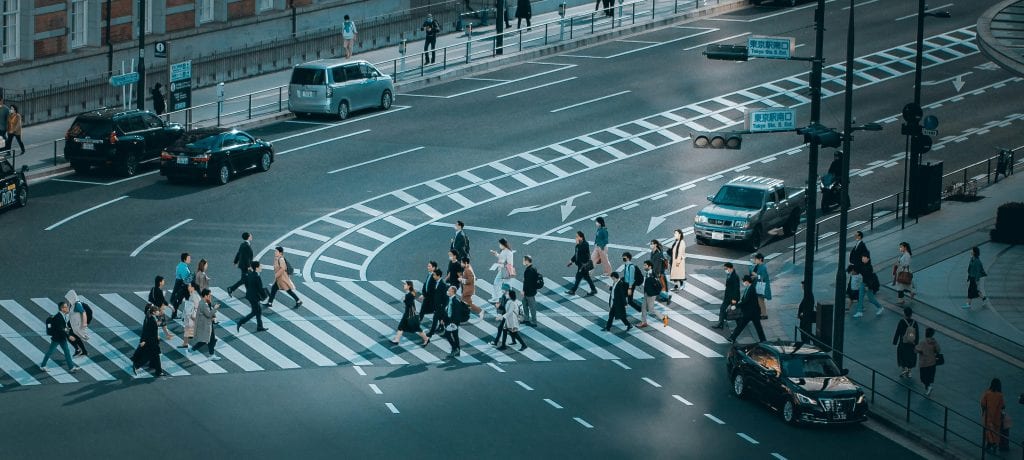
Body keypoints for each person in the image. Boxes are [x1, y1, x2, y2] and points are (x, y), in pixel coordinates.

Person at [40, 301, 80, 372]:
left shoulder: (62, 315)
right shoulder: (58, 317)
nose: (68, 308)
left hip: (61, 338)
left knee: (66, 352)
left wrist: (67, 329)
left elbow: (62, 327)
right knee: (50, 351)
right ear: (62, 309)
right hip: (57, 338)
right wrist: (69, 336)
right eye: (66, 307)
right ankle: (43, 366)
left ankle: (71, 367)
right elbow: (60, 329)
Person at [132, 304, 170, 377]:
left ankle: (155, 368)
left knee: (153, 355)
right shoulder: (151, 320)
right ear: (154, 312)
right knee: (152, 355)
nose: (159, 312)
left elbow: (150, 329)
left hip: (151, 341)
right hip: (152, 341)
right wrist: (145, 340)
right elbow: (149, 331)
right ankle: (138, 365)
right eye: (157, 311)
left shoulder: (150, 318)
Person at [728, 275, 765, 343]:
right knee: (742, 325)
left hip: (753, 312)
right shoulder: (748, 288)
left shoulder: (751, 289)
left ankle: (763, 340)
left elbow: (746, 301)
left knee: (756, 327)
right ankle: (732, 338)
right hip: (750, 312)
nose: (743, 283)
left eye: (744, 281)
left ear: (747, 281)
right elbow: (744, 299)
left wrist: (736, 306)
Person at [393, 281, 430, 346]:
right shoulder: (410, 293)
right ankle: (397, 340)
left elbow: (409, 304)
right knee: (401, 327)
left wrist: (405, 300)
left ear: (409, 286)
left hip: (410, 314)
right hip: (408, 313)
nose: (404, 285)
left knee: (417, 328)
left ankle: (426, 338)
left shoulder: (409, 295)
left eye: (405, 284)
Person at [236, 262, 269, 333]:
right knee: (255, 312)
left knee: (258, 311)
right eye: (260, 266)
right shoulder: (257, 277)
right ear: (257, 268)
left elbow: (247, 284)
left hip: (250, 295)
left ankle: (260, 326)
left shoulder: (250, 274)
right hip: (254, 297)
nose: (261, 267)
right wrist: (265, 296)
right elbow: (260, 289)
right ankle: (241, 322)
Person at [190, 289, 222, 360]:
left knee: (210, 339)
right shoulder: (203, 304)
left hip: (207, 323)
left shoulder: (205, 302)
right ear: (205, 295)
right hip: (206, 325)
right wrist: (215, 308)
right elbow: (208, 314)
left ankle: (211, 354)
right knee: (207, 340)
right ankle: (192, 350)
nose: (210, 296)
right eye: (209, 295)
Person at [892, 306, 919, 378]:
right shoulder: (914, 323)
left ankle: (904, 369)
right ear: (911, 314)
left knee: (902, 356)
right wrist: (916, 343)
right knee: (911, 356)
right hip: (912, 343)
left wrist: (895, 341)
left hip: (903, 343)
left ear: (904, 313)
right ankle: (909, 371)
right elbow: (917, 334)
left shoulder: (902, 322)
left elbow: (898, 332)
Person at [567, 231, 596, 296]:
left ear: (581, 237)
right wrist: (571, 261)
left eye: (577, 237)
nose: (576, 238)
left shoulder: (585, 244)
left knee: (578, 277)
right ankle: (593, 289)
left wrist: (578, 244)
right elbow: (576, 255)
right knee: (586, 278)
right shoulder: (577, 246)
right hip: (580, 265)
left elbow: (583, 253)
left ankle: (573, 290)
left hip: (583, 265)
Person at [981, 378, 1006, 453]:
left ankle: (991, 443)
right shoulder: (1000, 395)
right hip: (997, 417)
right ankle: (994, 443)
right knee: (995, 430)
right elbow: (1003, 406)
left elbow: (983, 403)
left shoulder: (987, 393)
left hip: (988, 416)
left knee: (988, 430)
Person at [713, 262, 740, 330]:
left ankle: (740, 324)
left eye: (726, 268)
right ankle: (721, 323)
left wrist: (734, 299)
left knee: (735, 312)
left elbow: (736, 288)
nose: (725, 270)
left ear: (731, 268)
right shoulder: (729, 274)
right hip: (728, 296)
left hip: (733, 297)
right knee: (722, 309)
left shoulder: (735, 276)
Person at [915, 328, 940, 395]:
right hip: (932, 362)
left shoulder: (923, 342)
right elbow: (938, 350)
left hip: (924, 363)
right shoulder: (934, 342)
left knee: (923, 377)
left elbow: (916, 350)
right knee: (929, 377)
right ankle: (928, 387)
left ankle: (928, 387)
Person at [441, 286, 464, 359]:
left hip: (453, 322)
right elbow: (447, 310)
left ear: (452, 292)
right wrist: (443, 319)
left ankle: (455, 349)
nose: (448, 291)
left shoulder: (455, 301)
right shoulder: (450, 299)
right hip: (449, 321)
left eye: (449, 290)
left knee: (448, 335)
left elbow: (456, 314)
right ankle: (457, 350)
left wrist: (453, 323)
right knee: (455, 336)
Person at [639, 261, 664, 328]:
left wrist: (652, 293)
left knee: (651, 310)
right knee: (643, 307)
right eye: (644, 265)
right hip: (647, 293)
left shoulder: (652, 275)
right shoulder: (648, 273)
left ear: (649, 266)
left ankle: (664, 318)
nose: (644, 267)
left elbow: (656, 285)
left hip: (651, 294)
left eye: (645, 265)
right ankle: (644, 322)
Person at [66, 291, 91, 357]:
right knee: (74, 337)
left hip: (77, 324)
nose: (68, 299)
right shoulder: (73, 303)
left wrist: (84, 323)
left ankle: (79, 350)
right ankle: (83, 351)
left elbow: (83, 313)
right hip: (73, 323)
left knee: (70, 337)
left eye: (69, 298)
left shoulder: (77, 304)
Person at [425, 269, 447, 337]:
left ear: (439, 276)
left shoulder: (443, 285)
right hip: (436, 305)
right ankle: (443, 328)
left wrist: (443, 306)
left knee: (435, 319)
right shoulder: (436, 282)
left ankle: (431, 333)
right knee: (442, 318)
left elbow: (446, 297)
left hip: (440, 306)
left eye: (434, 275)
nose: (433, 276)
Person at [170, 252, 193, 319]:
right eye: (188, 258)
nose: (190, 259)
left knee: (180, 300)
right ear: (184, 259)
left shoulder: (180, 265)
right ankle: (184, 315)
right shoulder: (184, 268)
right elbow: (186, 280)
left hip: (179, 284)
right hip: (183, 286)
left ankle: (176, 314)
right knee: (184, 300)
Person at [750, 253, 771, 319]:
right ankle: (761, 313)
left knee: (760, 300)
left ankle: (764, 314)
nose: (755, 260)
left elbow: (763, 277)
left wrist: (755, 276)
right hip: (759, 285)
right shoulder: (758, 266)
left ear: (760, 259)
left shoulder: (763, 267)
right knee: (759, 300)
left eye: (756, 259)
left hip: (762, 286)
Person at [521, 255, 540, 327]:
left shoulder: (529, 270)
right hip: (530, 291)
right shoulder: (533, 268)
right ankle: (526, 319)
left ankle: (534, 322)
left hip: (529, 292)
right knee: (525, 305)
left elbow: (527, 283)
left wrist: (523, 291)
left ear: (526, 261)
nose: (523, 262)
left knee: (532, 307)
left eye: (523, 260)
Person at [180, 282, 200, 350]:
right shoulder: (194, 294)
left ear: (193, 287)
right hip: (194, 315)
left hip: (192, 315)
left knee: (188, 328)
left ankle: (185, 343)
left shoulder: (193, 296)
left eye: (189, 286)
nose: (188, 287)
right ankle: (186, 342)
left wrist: (190, 316)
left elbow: (189, 308)